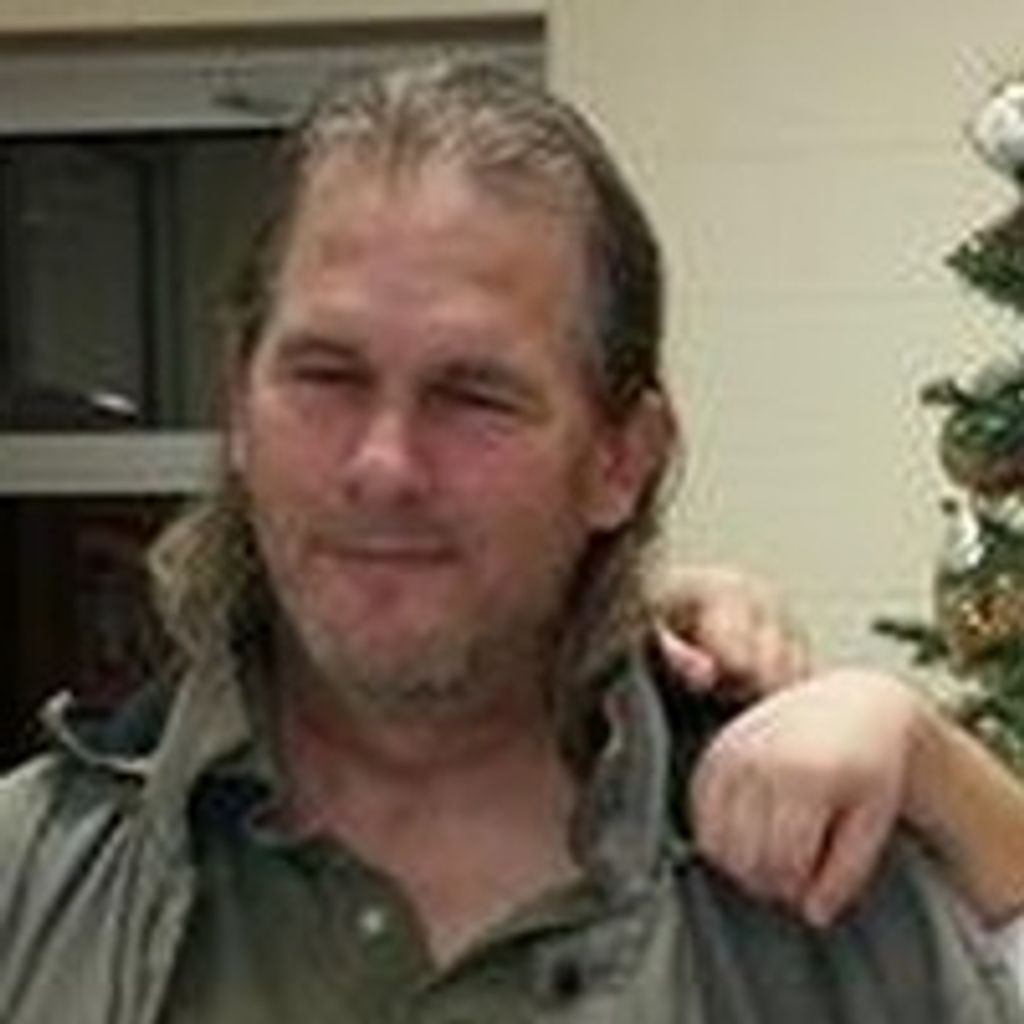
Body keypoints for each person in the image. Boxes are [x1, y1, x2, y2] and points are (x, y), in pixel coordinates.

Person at [0, 60, 1019, 1023]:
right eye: (326, 376)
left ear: (621, 458)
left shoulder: (831, 916)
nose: (383, 465)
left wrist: (938, 764)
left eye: (473, 395)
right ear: (238, 405)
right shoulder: (32, 882)